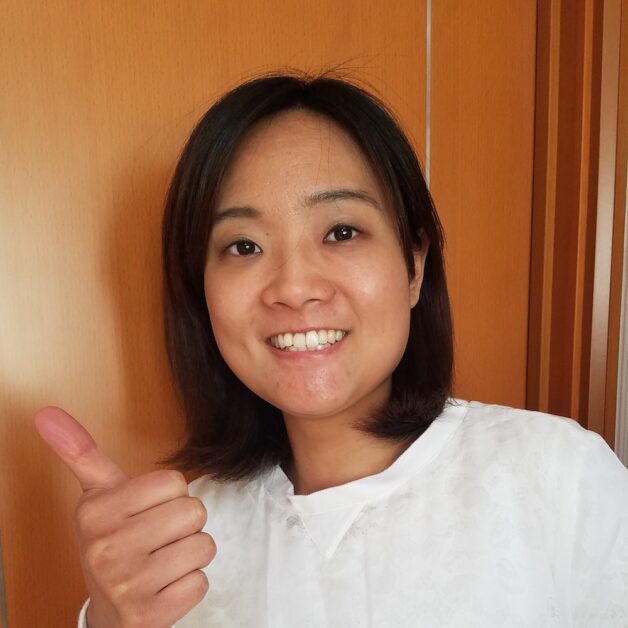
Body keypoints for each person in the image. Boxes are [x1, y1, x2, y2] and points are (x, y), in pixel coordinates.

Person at [35, 73, 628, 628]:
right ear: (202, 292)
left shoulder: (560, 477)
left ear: (415, 265)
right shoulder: (172, 547)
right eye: (243, 245)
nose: (294, 287)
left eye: (342, 232)